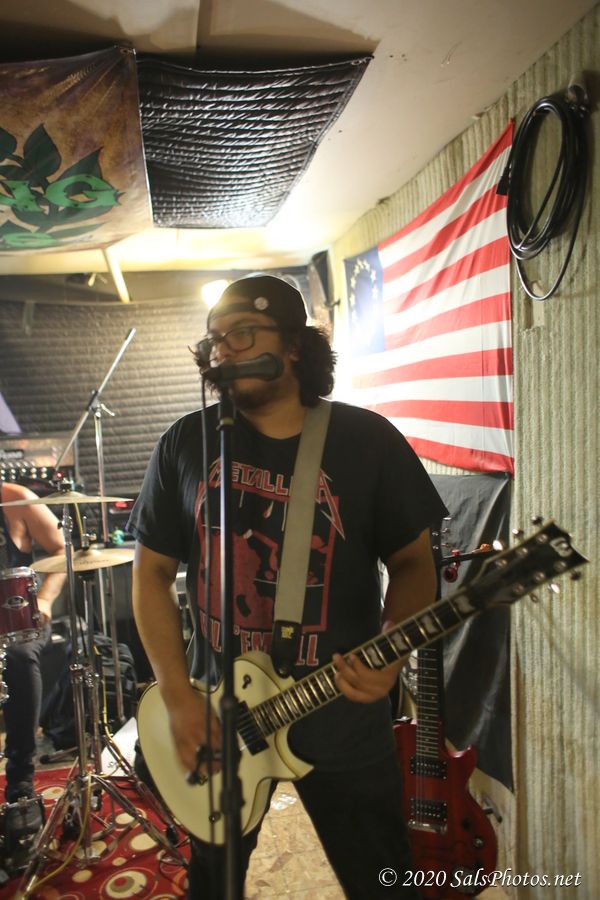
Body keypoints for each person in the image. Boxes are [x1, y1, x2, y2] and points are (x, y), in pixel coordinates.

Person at [129, 274, 448, 899]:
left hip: (342, 716)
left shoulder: (368, 442)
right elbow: (151, 574)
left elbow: (414, 564)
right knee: (213, 885)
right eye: (215, 340)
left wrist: (393, 649)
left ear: (295, 346)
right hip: (217, 712)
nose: (224, 350)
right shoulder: (185, 443)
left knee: (383, 881)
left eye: (244, 334)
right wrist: (177, 696)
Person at [0, 480, 65, 804]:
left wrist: (46, 599)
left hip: (20, 623)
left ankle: (20, 778)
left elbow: (62, 550)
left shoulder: (17, 500)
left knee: (19, 657)